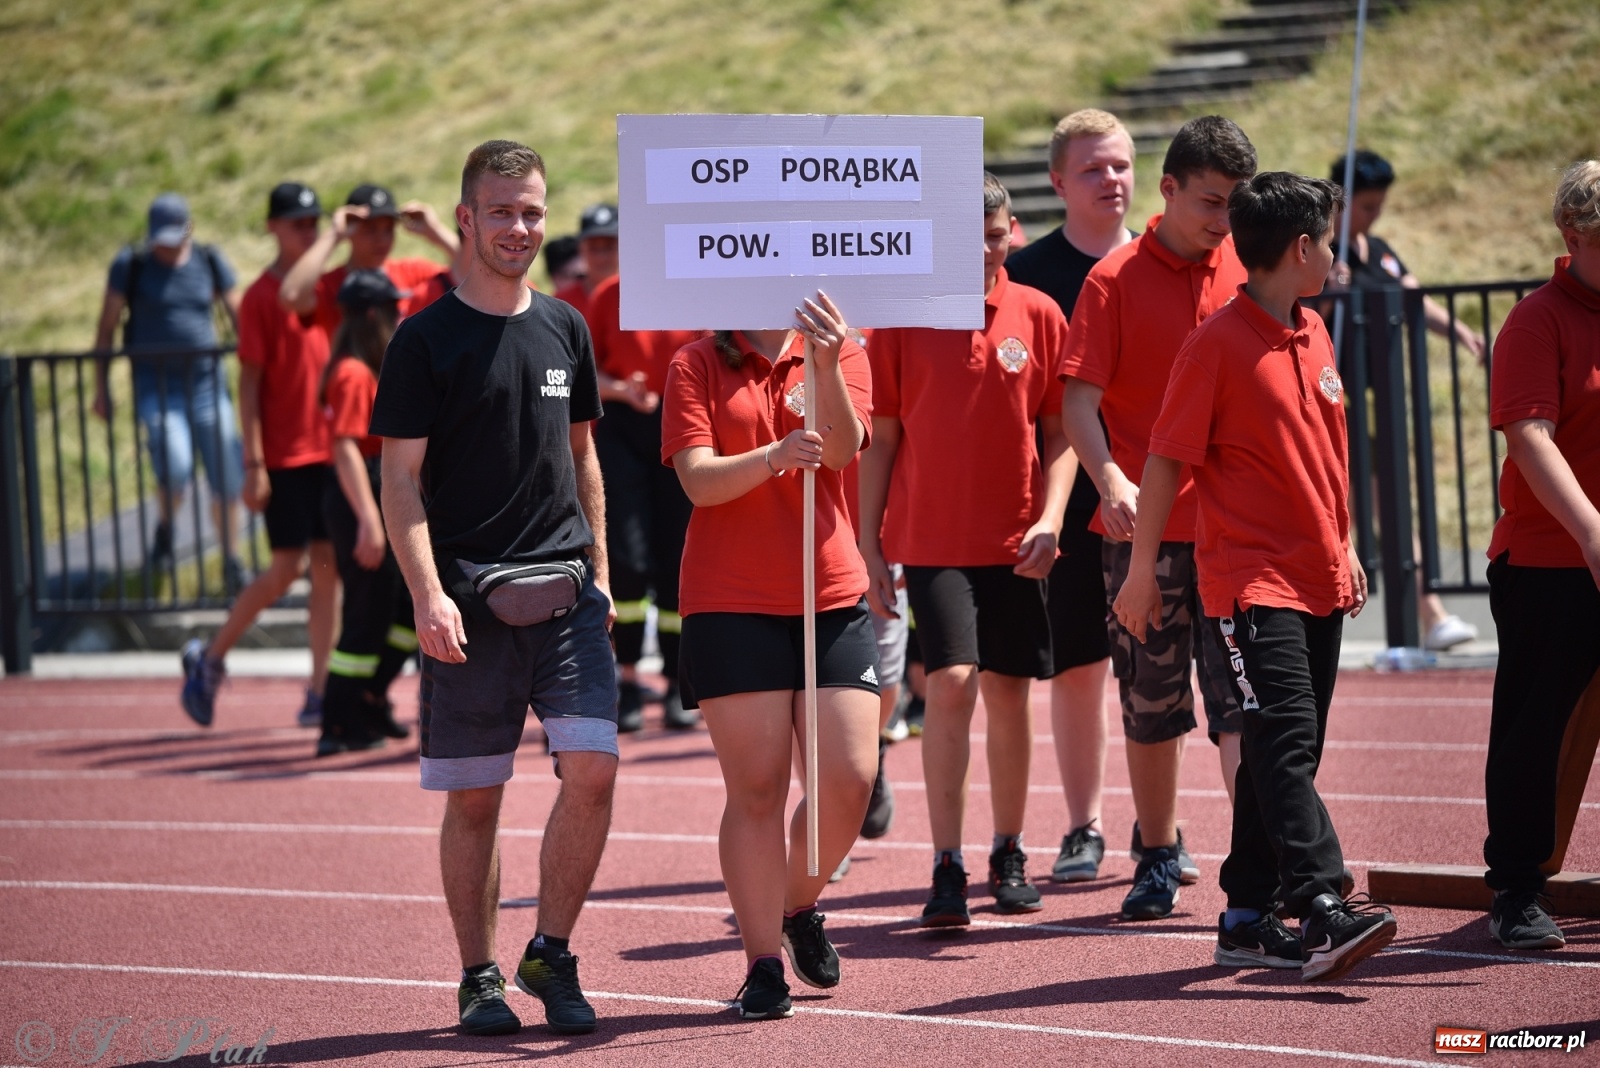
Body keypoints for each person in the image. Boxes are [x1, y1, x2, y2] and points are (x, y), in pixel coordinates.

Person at [1114, 170, 1397, 981]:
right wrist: (1141, 573)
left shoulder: (1315, 331)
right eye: (1329, 239)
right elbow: (1164, 464)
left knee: (1285, 752)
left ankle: (1243, 916)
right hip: (1251, 583)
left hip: (1318, 577)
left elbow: (1329, 460)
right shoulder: (1214, 346)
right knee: (1285, 743)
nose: (1337, 253)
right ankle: (1321, 902)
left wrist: (1344, 544)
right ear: (1301, 248)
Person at [373, 140, 618, 1037]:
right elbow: (399, 482)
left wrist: (603, 575)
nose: (522, 228)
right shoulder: (424, 339)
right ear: (467, 218)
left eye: (534, 212)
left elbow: (584, 456)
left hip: (567, 598)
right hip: (470, 605)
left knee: (592, 767)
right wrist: (428, 593)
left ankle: (550, 952)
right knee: (477, 797)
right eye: (504, 212)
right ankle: (479, 975)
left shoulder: (566, 323)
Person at [860, 173, 1074, 927]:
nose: (985, 250)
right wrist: (867, 544)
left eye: (995, 233)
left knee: (1011, 695)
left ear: (1011, 232)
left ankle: (1007, 850)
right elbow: (880, 442)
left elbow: (1061, 436)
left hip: (1018, 537)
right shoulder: (898, 322)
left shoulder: (1040, 314)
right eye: (968, 237)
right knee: (951, 683)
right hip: (932, 540)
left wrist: (1051, 516)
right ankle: (945, 863)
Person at [1058, 115, 1253, 921]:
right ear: (1167, 190)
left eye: (1235, 205)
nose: (1223, 220)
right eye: (1210, 202)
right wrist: (1109, 479)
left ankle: (1258, 860)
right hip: (1144, 537)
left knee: (1245, 706)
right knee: (1152, 704)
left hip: (1239, 539)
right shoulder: (1113, 280)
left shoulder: (1251, 265)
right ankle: (1158, 850)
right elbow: (1077, 402)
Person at [661, 298, 879, 1019]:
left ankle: (797, 905)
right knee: (757, 788)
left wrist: (823, 362)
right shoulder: (695, 361)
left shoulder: (842, 346)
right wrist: (774, 457)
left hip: (831, 590)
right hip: (730, 598)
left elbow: (846, 451)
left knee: (849, 778)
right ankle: (761, 963)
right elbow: (697, 479)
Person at [1004, 107, 1137, 883]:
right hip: (1068, 505)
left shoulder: (1166, 257)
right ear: (1057, 182)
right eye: (1092, 168)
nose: (1109, 179)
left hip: (1163, 494)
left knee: (1164, 667)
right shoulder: (1026, 276)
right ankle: (1084, 825)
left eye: (1119, 165)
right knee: (1080, 665)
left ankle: (1163, 831)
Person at [1479, 160, 1600, 950]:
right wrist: (1594, 534)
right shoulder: (1538, 320)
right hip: (1549, 563)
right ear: (1575, 235)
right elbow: (1529, 437)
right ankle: (1517, 891)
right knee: (1533, 731)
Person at [178, 183, 340, 729]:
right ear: (272, 226)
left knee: (327, 571)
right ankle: (211, 656)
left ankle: (320, 689)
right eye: (297, 222)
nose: (308, 230)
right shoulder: (260, 297)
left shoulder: (327, 289)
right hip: (287, 454)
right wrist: (254, 462)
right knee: (282, 570)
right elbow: (247, 385)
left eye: (314, 221)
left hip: (329, 450)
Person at [1323, 149, 1485, 652]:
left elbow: (1417, 299)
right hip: (1327, 405)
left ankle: (1429, 615)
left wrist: (1462, 333)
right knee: (1336, 511)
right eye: (1366, 206)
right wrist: (1329, 291)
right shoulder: (1319, 253)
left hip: (1371, 405)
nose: (1375, 215)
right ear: (1341, 202)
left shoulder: (1383, 252)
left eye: (1379, 205)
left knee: (1387, 504)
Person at [92, 192, 245, 588]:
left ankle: (232, 560)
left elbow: (240, 318)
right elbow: (107, 326)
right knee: (175, 467)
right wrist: (100, 388)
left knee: (227, 475)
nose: (167, 245)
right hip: (157, 387)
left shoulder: (208, 260)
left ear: (189, 229)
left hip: (208, 384)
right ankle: (165, 528)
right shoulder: (132, 265)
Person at [583, 275, 701, 730]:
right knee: (627, 560)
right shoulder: (608, 292)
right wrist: (619, 389)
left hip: (682, 424)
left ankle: (676, 682)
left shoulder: (694, 286)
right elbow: (585, 370)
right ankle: (627, 679)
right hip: (623, 430)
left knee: (678, 562)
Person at [316, 269, 417, 756]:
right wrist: (369, 521)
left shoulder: (364, 367)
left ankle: (370, 698)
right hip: (361, 499)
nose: (402, 317)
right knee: (364, 615)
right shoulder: (354, 372)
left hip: (372, 494)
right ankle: (337, 719)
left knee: (399, 611)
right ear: (375, 315)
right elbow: (347, 449)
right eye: (395, 309)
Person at [279, 183, 459, 335]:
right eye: (371, 229)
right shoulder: (333, 285)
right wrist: (333, 234)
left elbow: (474, 271)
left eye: (388, 229)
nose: (381, 239)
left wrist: (435, 231)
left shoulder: (414, 272)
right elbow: (292, 296)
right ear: (349, 229)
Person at [553, 204, 618, 320]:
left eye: (609, 247)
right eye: (593, 248)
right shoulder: (562, 303)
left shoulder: (639, 298)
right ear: (580, 248)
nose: (601, 257)